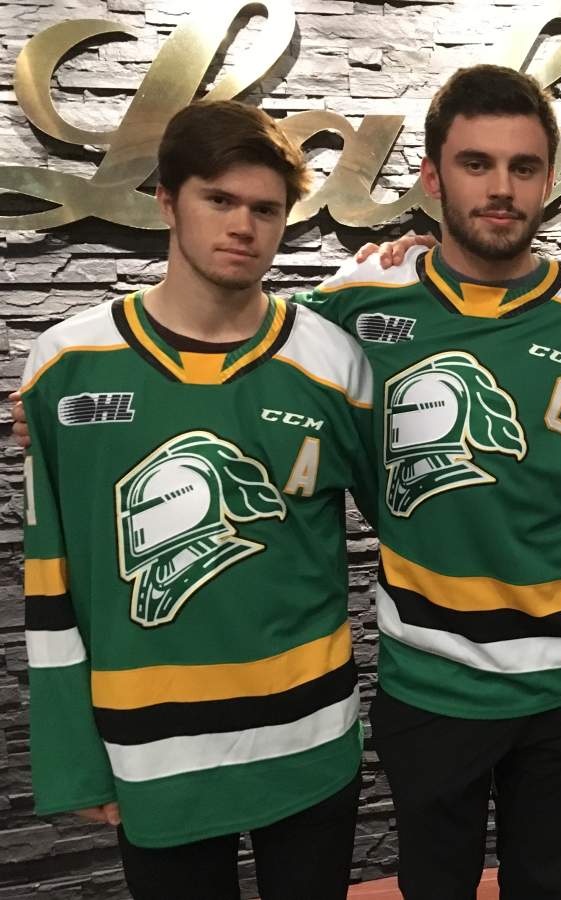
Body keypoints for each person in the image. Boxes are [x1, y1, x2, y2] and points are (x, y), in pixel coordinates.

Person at [294, 64, 561, 899]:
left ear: (549, 181)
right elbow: (239, 354)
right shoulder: (358, 303)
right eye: (476, 163)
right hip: (430, 677)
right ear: (431, 176)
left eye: (524, 167)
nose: (501, 188)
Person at [20, 101, 376, 899]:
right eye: (219, 199)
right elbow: (50, 579)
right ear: (167, 200)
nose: (243, 226)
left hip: (309, 736)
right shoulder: (66, 365)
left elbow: (410, 514)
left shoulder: (333, 363)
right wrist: (74, 753)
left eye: (265, 209)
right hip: (153, 750)